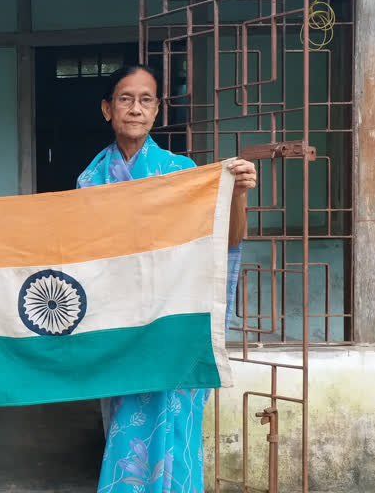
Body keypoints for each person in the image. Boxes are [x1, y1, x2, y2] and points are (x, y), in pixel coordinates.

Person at [77, 66, 256, 493]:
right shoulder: (89, 182)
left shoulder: (183, 173)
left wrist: (239, 194)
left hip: (174, 323)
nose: (135, 109)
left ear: (157, 109)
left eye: (146, 100)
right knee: (122, 424)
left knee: (176, 426)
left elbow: (225, 240)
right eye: (125, 99)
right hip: (120, 328)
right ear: (107, 108)